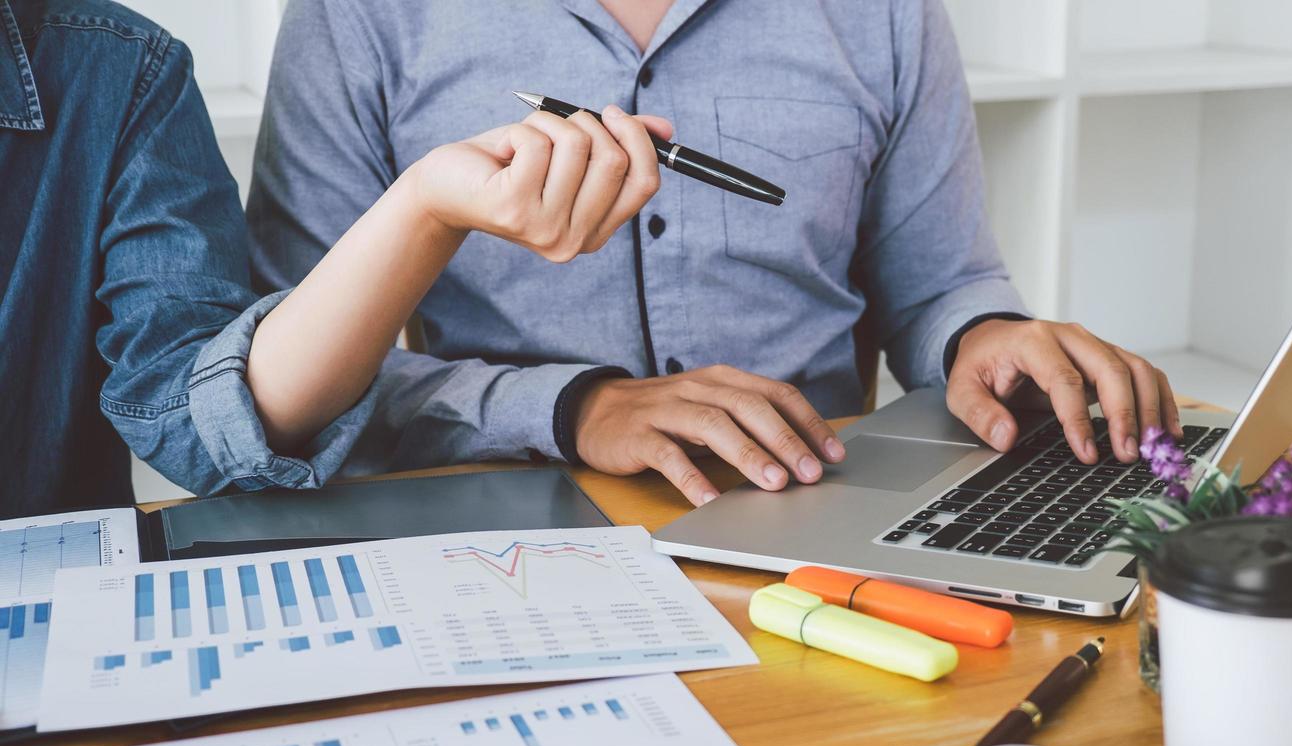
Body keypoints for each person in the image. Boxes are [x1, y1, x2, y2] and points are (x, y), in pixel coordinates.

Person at [248, 0, 1183, 507]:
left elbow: (941, 282)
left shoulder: (884, 14)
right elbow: (289, 367)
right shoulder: (355, 17)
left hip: (811, 502)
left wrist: (985, 332)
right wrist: (571, 408)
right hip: (502, 515)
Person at [0, 0, 664, 520]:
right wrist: (564, 406)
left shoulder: (117, 68)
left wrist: (425, 208)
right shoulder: (347, 21)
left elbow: (215, 417)